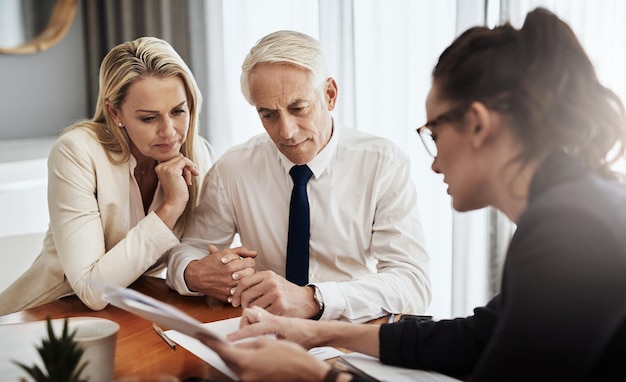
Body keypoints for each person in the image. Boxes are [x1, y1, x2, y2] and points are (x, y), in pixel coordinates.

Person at [198, 8, 626, 382]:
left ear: (478, 125)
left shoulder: (570, 233)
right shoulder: (574, 207)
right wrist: (317, 332)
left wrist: (317, 374)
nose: (435, 163)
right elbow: (478, 336)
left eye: (434, 134)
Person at [166, 30, 431, 322]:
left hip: (349, 332)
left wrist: (315, 299)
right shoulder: (234, 168)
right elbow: (187, 251)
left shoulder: (382, 164)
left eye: (298, 108)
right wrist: (195, 273)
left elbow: (412, 282)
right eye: (268, 115)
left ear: (329, 95)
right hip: (263, 332)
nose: (286, 132)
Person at [0, 37, 212, 315]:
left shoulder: (197, 153)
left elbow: (192, 253)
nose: (170, 132)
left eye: (178, 111)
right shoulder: (76, 152)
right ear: (115, 112)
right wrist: (170, 208)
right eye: (149, 118)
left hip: (129, 310)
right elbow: (92, 291)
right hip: (43, 314)